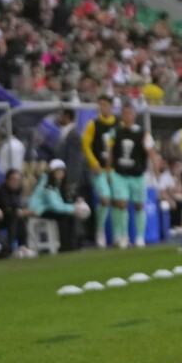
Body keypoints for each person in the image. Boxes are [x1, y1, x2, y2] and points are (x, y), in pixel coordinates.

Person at [109, 103, 155, 248]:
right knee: (121, 204)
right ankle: (123, 236)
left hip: (137, 174)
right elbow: (110, 152)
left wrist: (156, 167)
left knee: (139, 205)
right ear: (122, 115)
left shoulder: (143, 133)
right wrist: (108, 170)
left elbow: (151, 151)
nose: (128, 116)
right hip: (120, 174)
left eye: (130, 113)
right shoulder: (115, 132)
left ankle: (140, 237)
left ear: (134, 115)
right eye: (125, 113)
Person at [82, 96, 121, 247]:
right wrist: (94, 163)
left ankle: (118, 235)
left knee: (118, 201)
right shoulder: (93, 124)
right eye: (100, 105)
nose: (102, 107)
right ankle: (100, 231)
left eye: (105, 104)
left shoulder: (118, 124)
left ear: (111, 106)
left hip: (115, 170)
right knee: (105, 199)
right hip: (100, 169)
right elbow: (86, 145)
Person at [28, 159, 84, 252]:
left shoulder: (56, 183)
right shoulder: (47, 184)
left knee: (69, 216)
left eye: (62, 171)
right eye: (57, 171)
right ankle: (65, 246)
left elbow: (60, 202)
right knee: (63, 216)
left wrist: (74, 205)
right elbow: (55, 205)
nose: (60, 173)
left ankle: (71, 244)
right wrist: (73, 208)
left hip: (45, 208)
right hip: (38, 210)